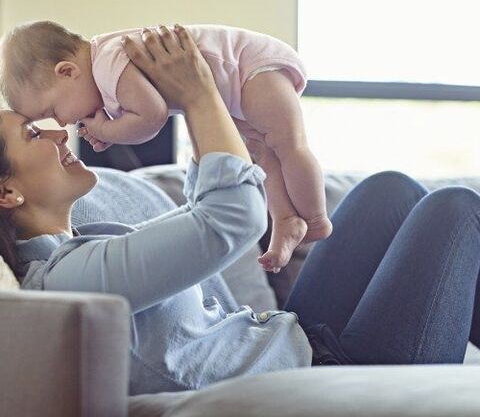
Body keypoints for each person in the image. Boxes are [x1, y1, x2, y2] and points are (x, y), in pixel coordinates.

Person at [0, 27, 478, 397]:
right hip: (318, 380)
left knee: (387, 192)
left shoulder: (88, 247)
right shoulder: (68, 283)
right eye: (35, 134)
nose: (63, 133)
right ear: (7, 193)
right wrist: (200, 94)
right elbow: (231, 218)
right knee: (457, 210)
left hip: (296, 341)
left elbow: (198, 212)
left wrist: (185, 103)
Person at [0, 21, 332, 272]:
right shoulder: (105, 79)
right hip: (235, 88)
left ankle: (316, 218)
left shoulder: (110, 63)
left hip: (252, 68)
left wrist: (109, 131)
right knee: (267, 156)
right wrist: (110, 126)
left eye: (51, 113)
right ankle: (287, 219)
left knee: (289, 146)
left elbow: (152, 117)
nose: (60, 127)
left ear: (67, 71)